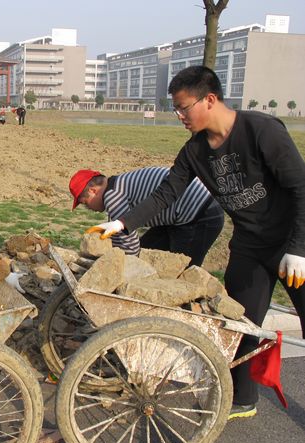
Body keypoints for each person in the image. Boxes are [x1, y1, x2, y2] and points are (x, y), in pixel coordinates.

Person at [90, 65, 305, 420]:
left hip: (292, 242)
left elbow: (300, 188)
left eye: (183, 107)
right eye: (175, 108)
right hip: (251, 246)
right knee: (241, 324)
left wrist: (299, 247)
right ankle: (243, 399)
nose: (179, 116)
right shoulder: (194, 151)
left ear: (210, 99)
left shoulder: (261, 130)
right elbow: (166, 194)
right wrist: (121, 222)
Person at [69, 167, 224, 267]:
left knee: (182, 271)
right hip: (181, 215)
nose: (89, 208)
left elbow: (129, 245)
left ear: (92, 191)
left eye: (85, 203)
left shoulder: (113, 196)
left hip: (201, 215)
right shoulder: (117, 184)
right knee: (145, 252)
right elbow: (121, 233)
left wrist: (118, 269)